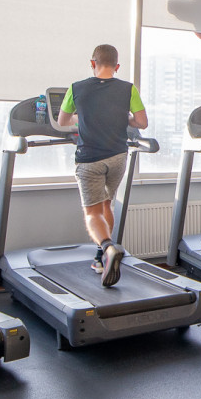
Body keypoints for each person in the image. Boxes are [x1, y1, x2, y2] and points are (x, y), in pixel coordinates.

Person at [56, 44, 147, 286]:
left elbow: (62, 121)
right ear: (117, 66)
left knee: (93, 212)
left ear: (92, 63)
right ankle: (100, 259)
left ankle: (108, 248)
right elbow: (142, 122)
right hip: (117, 156)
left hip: (90, 158)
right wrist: (125, 118)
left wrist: (82, 118)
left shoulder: (76, 88)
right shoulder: (128, 89)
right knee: (107, 203)